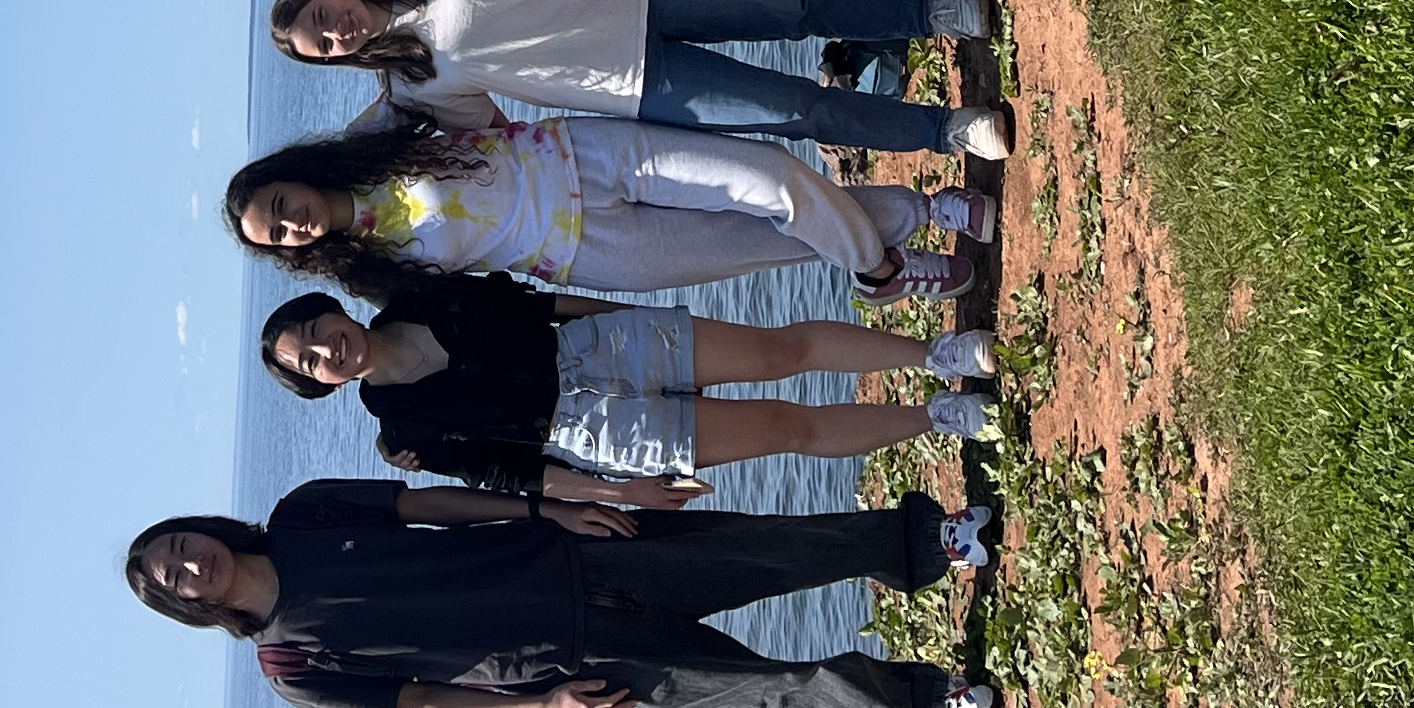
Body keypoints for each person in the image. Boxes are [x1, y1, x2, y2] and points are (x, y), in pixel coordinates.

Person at [124, 483, 1003, 708]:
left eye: (178, 548)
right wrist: (544, 704)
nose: (189, 566)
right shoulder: (289, 669)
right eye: (174, 580)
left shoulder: (305, 513)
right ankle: (933, 707)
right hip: (577, 660)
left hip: (578, 555)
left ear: (197, 528)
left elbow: (430, 505)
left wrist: (549, 509)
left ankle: (935, 543)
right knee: (770, 694)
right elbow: (423, 703)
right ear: (186, 607)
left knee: (773, 549)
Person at [271, 0, 1004, 159]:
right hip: (634, 87)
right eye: (324, 47)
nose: (334, 32)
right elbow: (496, 135)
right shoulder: (411, 84)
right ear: (339, 61)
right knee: (801, 113)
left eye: (320, 18)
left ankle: (932, 17)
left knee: (794, 6)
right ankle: (949, 130)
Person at [257, 272, 1005, 494]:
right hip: (589, 434)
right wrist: (616, 492)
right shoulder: (402, 434)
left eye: (317, 330)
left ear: (331, 308)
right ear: (319, 386)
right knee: (786, 430)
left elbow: (533, 302)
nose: (328, 349)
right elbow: (511, 473)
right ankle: (939, 419)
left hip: (596, 344)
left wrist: (625, 308)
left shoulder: (414, 297)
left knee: (781, 351)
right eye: (311, 363)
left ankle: (936, 354)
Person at [219, 111, 998, 305]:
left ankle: (879, 266)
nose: (294, 224)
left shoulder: (374, 135)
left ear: (292, 175)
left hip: (578, 154)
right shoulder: (373, 276)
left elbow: (443, 74)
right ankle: (917, 216)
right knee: (764, 242)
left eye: (280, 206)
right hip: (588, 252)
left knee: (770, 178)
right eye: (281, 237)